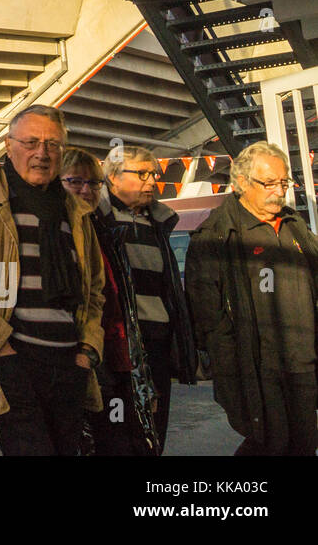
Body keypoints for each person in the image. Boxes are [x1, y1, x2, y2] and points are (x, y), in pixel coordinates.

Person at [0, 105, 105, 456]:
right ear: (9, 147)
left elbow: (94, 290)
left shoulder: (76, 212)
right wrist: (0, 349)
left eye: (52, 144)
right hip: (15, 360)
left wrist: (88, 350)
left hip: (68, 364)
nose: (42, 153)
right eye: (31, 142)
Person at [186, 142, 318, 456]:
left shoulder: (294, 226)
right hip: (256, 365)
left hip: (303, 361)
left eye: (283, 182)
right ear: (242, 183)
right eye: (269, 183)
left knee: (303, 446)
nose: (279, 190)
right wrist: (228, 362)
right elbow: (208, 313)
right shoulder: (218, 234)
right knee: (268, 443)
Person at [89, 145, 196, 455]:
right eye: (142, 174)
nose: (152, 182)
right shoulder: (97, 221)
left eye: (154, 174)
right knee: (117, 427)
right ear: (112, 177)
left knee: (153, 428)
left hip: (157, 341)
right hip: (117, 343)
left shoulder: (159, 223)